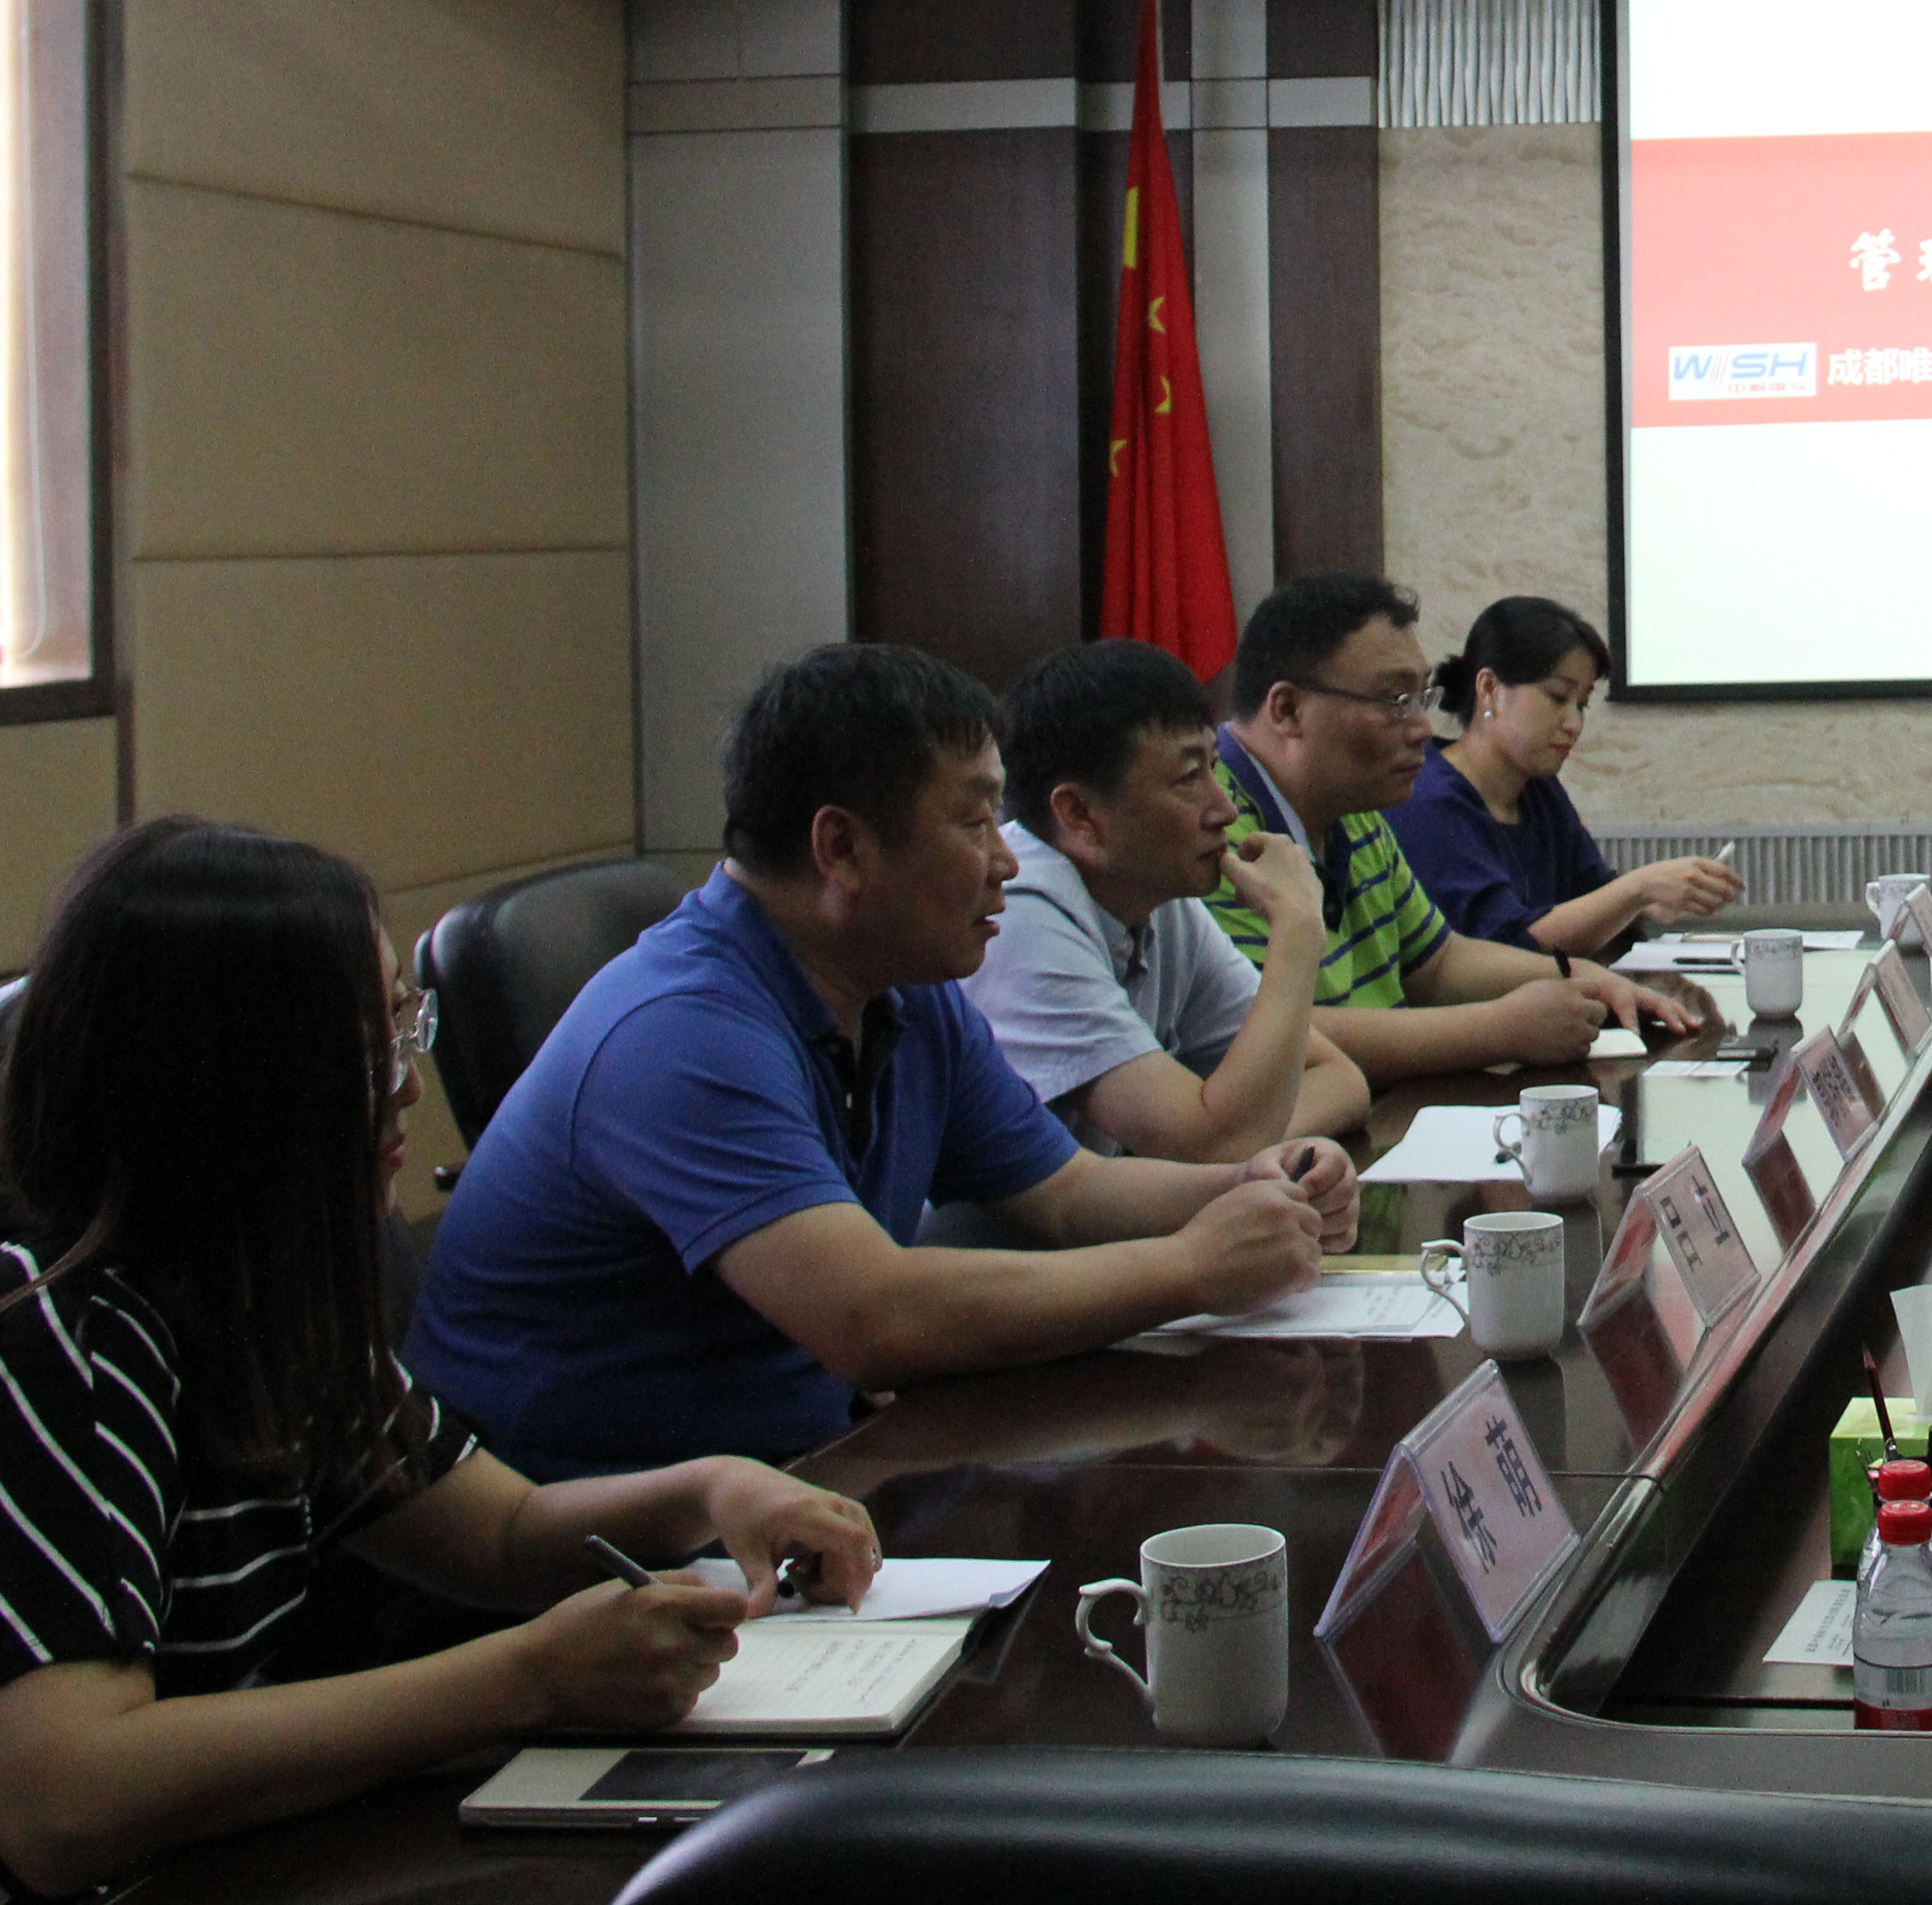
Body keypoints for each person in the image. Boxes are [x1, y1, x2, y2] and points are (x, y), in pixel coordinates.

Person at [0, 820, 881, 1901]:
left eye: (405, 1026)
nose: (407, 1089)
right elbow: (64, 1800)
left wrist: (712, 1488)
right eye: (367, 1054)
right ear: (218, 1084)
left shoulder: (251, 1292)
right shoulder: (52, 1346)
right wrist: (528, 1677)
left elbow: (497, 1534)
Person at [409, 643, 1357, 1480]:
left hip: (799, 1476)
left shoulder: (904, 986)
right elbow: (875, 1319)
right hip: (602, 1543)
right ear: (842, 848)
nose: (1007, 861)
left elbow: (1067, 1194)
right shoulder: (680, 1032)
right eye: (974, 823)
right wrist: (1192, 1268)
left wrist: (1257, 1186)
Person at [1205, 576, 1702, 1085]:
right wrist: (1497, 1029)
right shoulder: (1210, 827)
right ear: (1288, 710)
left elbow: (1438, 962)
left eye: (1422, 697)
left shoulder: (1354, 811)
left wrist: (1579, 975)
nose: (1423, 728)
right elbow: (1264, 1034)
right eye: (1396, 700)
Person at [962, 639, 1373, 1162]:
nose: (1224, 809)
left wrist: (1248, 1141)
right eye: (1188, 779)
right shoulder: (1018, 918)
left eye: (1214, 768)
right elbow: (1218, 1142)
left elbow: (1339, 1080)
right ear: (1079, 814)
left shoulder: (1157, 893)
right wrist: (1297, 928)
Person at [1386, 595, 1741, 959]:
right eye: (1558, 698)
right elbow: (1506, 945)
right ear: (1489, 689)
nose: (1574, 724)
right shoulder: (1427, 799)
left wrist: (1654, 901)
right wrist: (1639, 889)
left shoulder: (1538, 788)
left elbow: (1592, 894)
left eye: (1581, 705)